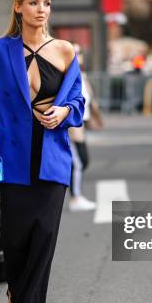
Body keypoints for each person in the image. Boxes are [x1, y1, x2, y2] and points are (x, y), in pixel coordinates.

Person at [0, 0, 85, 303]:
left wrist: (64, 111)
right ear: (18, 7)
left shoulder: (67, 51)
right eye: (34, 2)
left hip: (52, 160)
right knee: (16, 242)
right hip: (13, 161)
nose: (42, 9)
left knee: (43, 242)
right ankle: (15, 292)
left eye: (47, 3)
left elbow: (78, 103)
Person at [68, 44, 96, 211]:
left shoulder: (80, 75)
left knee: (81, 162)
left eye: (79, 52)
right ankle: (75, 198)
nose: (79, 55)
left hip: (81, 124)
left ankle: (74, 195)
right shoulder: (67, 75)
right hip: (71, 125)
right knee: (78, 162)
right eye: (75, 52)